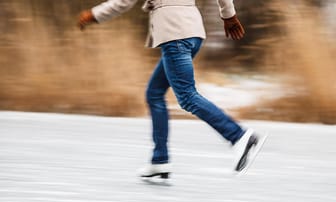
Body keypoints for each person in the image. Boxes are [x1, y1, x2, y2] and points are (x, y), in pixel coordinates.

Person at [78, 0, 267, 178]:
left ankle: (240, 137)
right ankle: (160, 159)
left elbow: (123, 2)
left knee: (187, 97)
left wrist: (94, 14)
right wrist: (228, 15)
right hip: (193, 32)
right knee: (154, 93)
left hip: (174, 34)